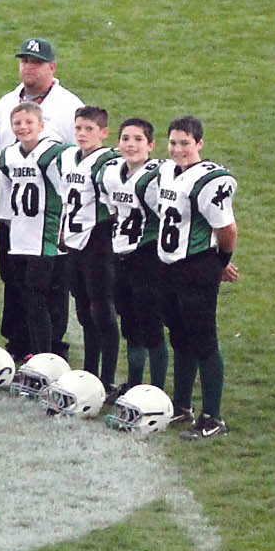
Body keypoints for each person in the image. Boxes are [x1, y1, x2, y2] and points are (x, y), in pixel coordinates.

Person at [151, 116, 238, 439]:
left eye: (185, 143)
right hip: (169, 265)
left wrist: (221, 261)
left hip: (196, 266)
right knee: (179, 338)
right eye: (173, 142)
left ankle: (212, 417)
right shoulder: (164, 172)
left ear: (199, 144)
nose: (178, 149)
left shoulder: (209, 179)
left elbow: (227, 229)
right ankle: (183, 405)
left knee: (203, 342)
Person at [0, 101, 73, 359]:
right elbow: (7, 195)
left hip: (45, 237)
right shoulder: (7, 155)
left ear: (41, 125)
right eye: (18, 123)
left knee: (40, 299)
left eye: (29, 122)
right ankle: (36, 351)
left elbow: (66, 194)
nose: (23, 127)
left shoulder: (54, 154)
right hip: (19, 236)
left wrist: (63, 230)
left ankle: (45, 355)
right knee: (27, 298)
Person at [101, 117, 166, 394]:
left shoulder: (156, 177)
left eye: (138, 139)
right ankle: (135, 384)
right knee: (130, 325)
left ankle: (158, 391)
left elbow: (169, 219)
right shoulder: (112, 172)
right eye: (126, 138)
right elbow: (114, 211)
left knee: (151, 327)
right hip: (121, 255)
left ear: (150, 145)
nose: (131, 144)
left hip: (147, 255)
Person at [59, 105, 121, 386]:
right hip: (74, 242)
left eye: (89, 129)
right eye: (79, 128)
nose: (82, 134)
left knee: (102, 310)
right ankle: (89, 370)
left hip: (98, 241)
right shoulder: (70, 157)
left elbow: (120, 205)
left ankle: (106, 378)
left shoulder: (109, 163)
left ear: (104, 133)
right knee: (84, 310)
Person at [0, 37, 85, 154]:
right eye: (25, 61)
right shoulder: (5, 104)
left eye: (36, 62)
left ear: (52, 67)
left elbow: (82, 157)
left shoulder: (71, 108)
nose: (28, 67)